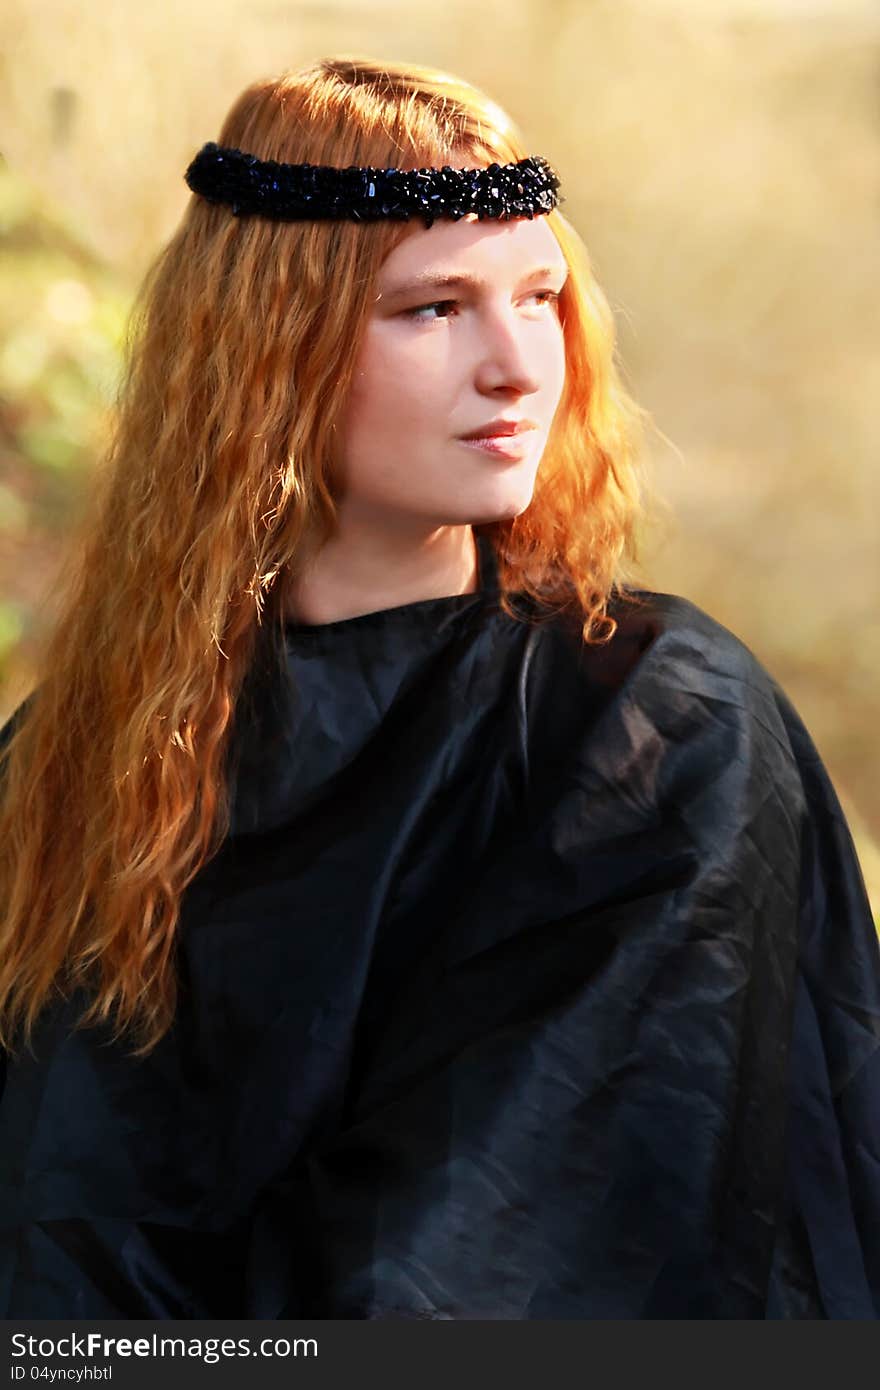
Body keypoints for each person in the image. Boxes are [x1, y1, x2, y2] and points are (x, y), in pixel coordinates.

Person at [0, 55, 878, 1322]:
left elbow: (479, 1255)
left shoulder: (646, 724)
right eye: (433, 308)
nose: (520, 366)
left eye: (539, 296)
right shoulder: (70, 763)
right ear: (269, 352)